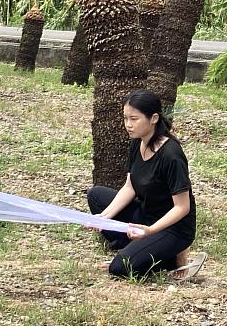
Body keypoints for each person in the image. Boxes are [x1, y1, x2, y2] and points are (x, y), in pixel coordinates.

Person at [87, 89, 204, 281]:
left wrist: (150, 231)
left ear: (154, 118)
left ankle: (171, 258)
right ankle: (141, 250)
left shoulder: (171, 155)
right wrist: (104, 217)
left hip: (172, 228)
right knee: (96, 196)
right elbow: (129, 187)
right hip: (145, 215)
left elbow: (182, 208)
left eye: (134, 119)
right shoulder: (138, 142)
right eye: (125, 118)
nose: (128, 125)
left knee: (119, 268)